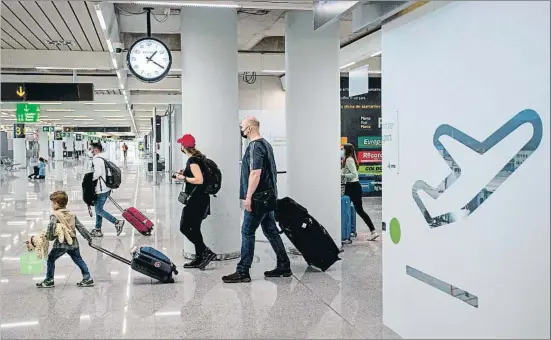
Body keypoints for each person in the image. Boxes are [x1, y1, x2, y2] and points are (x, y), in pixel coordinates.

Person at [222, 117, 291, 284]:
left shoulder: (255, 146)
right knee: (270, 230)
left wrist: (248, 197)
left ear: (250, 129)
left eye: (243, 127)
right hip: (268, 197)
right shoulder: (266, 144)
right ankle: (284, 265)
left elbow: (255, 173)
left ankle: (243, 271)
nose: (241, 129)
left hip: (259, 198)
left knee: (247, 232)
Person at [175, 134, 217, 270]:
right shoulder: (199, 159)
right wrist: (185, 174)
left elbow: (199, 180)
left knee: (185, 227)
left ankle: (205, 252)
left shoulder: (192, 161)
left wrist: (183, 178)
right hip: (201, 199)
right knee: (195, 228)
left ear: (184, 146)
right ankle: (199, 258)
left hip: (196, 201)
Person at [35, 191, 94, 288]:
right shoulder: (71, 214)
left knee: (50, 259)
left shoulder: (55, 215)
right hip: (73, 242)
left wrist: (49, 237)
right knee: (78, 259)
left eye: (52, 203)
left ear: (56, 204)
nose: (51, 205)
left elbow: (51, 227)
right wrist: (88, 237)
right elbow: (80, 227)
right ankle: (87, 278)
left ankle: (49, 279)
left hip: (61, 244)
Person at [341, 143, 379, 240]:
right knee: (347, 209)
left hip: (353, 187)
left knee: (357, 210)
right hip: (351, 186)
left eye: (342, 149)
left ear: (346, 150)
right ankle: (350, 231)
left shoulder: (349, 160)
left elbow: (354, 174)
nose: (341, 151)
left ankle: (373, 231)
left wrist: (343, 176)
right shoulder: (349, 159)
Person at [89, 142, 125, 238]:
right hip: (106, 188)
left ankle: (117, 222)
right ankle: (98, 229)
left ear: (96, 150)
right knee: (98, 209)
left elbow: (97, 173)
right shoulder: (104, 158)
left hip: (100, 189)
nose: (90, 151)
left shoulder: (97, 160)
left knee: (99, 210)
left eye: (91, 149)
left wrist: (89, 180)